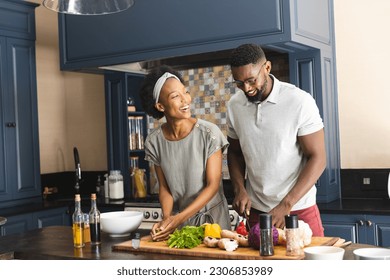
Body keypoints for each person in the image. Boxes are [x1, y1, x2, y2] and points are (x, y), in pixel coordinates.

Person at [226, 44, 326, 236]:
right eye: (239, 83)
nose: (246, 89)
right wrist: (239, 189)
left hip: (298, 209)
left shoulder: (299, 101)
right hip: (257, 212)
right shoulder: (235, 105)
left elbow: (318, 157)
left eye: (251, 80)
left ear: (267, 68)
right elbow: (235, 152)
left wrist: (286, 205)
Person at [139, 65, 231, 241]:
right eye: (175, 96)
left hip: (213, 224)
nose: (185, 99)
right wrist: (167, 219)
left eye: (185, 92)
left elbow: (213, 185)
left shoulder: (209, 134)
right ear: (160, 106)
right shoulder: (154, 142)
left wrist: (178, 218)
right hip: (181, 226)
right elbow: (165, 188)